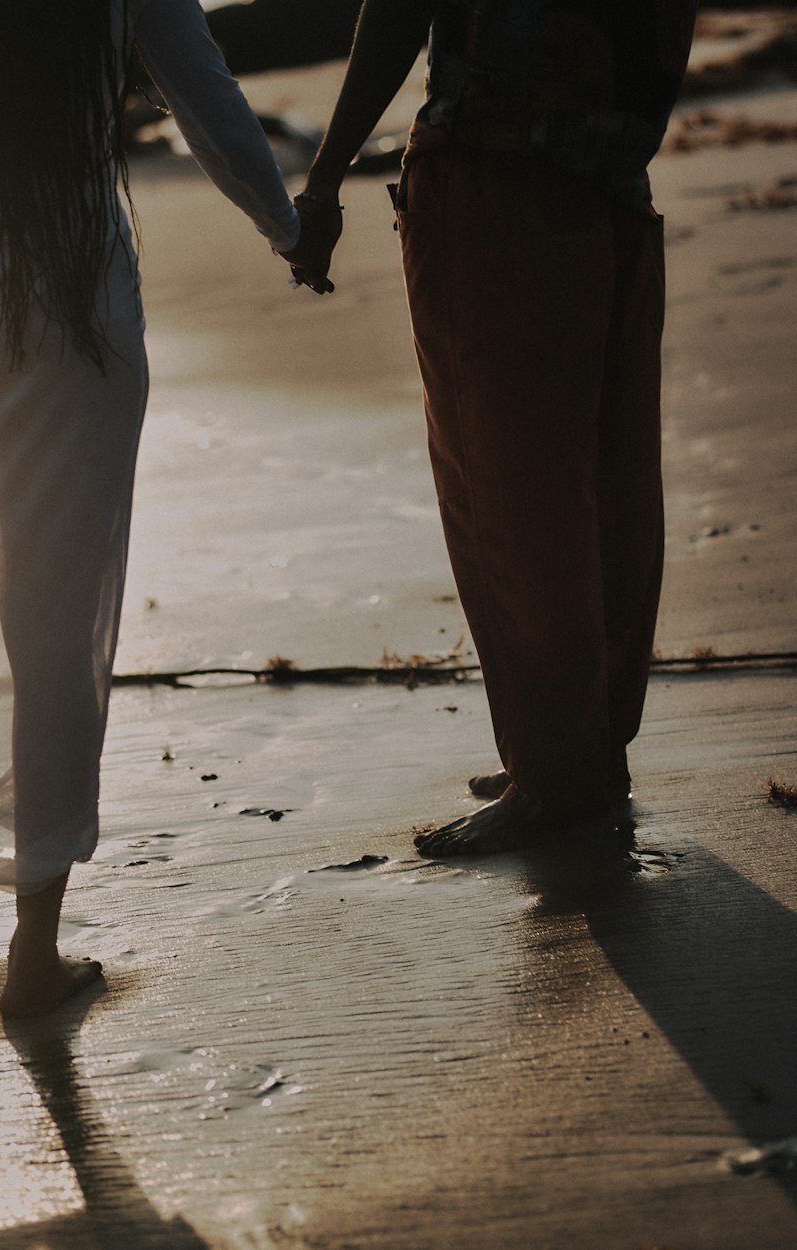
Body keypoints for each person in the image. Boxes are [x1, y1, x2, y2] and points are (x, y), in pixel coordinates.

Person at [0, 0, 323, 1017]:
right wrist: (287, 225)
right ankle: (35, 946)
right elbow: (200, 88)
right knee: (56, 617)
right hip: (76, 292)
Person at [292, 0, 698, 855]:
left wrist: (326, 175)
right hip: (615, 166)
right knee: (607, 478)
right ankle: (588, 750)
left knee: (510, 488)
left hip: (498, 172)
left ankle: (557, 777)